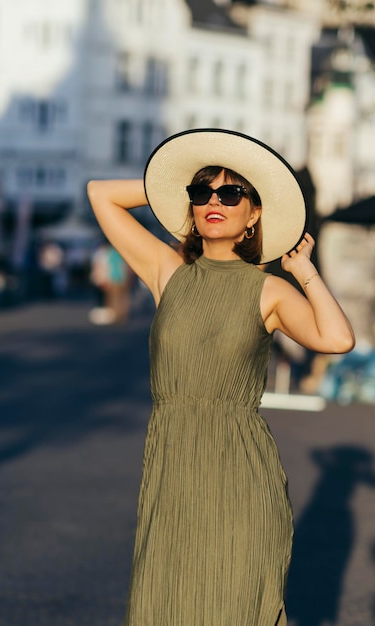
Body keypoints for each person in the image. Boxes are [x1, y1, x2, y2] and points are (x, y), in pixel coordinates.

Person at [87, 129, 355, 625]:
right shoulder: (167, 271)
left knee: (233, 603)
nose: (213, 201)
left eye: (231, 193)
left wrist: (305, 271)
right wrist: (171, 185)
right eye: (201, 192)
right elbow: (100, 194)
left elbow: (337, 340)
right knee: (164, 605)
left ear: (254, 214)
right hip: (172, 469)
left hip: (241, 477)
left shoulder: (269, 290)